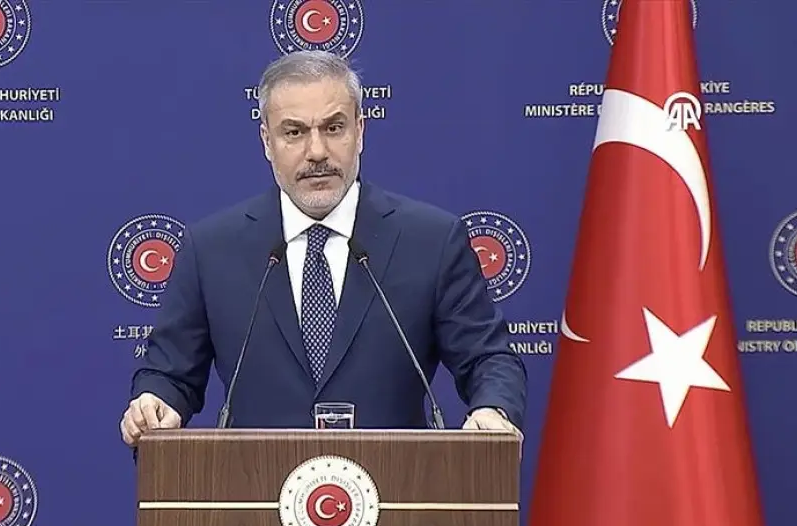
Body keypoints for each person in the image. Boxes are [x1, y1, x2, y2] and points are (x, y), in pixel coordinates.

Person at [119, 50, 527, 446]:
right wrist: (156, 403)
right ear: (267, 141)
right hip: (254, 485)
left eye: (333, 128)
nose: (316, 152)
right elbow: (170, 374)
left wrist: (494, 409)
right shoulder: (211, 249)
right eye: (294, 132)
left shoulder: (432, 240)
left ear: (360, 132)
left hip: (395, 484)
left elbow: (487, 358)